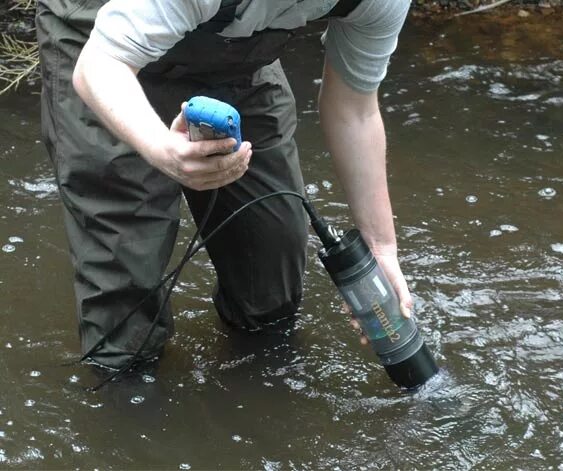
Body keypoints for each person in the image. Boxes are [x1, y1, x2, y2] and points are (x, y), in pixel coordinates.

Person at [35, 0, 414, 370]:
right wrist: (164, 152)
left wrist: (381, 248)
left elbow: (355, 111)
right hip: (102, 42)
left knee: (270, 289)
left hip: (232, 51)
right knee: (125, 295)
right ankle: (122, 397)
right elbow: (100, 65)